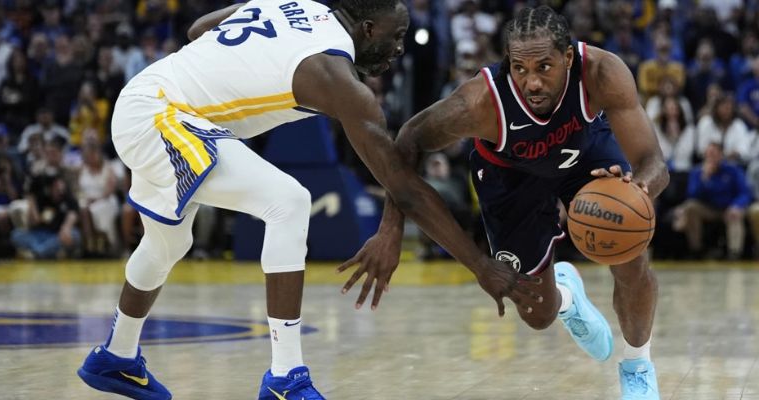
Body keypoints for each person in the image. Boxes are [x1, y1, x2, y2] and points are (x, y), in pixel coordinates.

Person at [76, 1, 540, 400]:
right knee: (289, 202)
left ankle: (116, 356)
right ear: (367, 30)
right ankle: (285, 376)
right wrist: (482, 266)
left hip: (151, 99)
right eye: (396, 37)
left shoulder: (295, 5)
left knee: (166, 246)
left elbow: (200, 31)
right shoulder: (335, 77)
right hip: (161, 115)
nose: (400, 49)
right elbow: (403, 188)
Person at [339, 6, 669, 400]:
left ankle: (637, 365)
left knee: (631, 255)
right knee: (538, 315)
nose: (531, 82)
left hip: (584, 154)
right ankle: (566, 296)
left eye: (544, 67)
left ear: (568, 58)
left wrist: (637, 188)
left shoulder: (602, 73)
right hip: (510, 176)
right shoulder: (480, 102)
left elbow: (653, 162)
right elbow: (409, 139)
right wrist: (390, 228)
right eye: (520, 69)